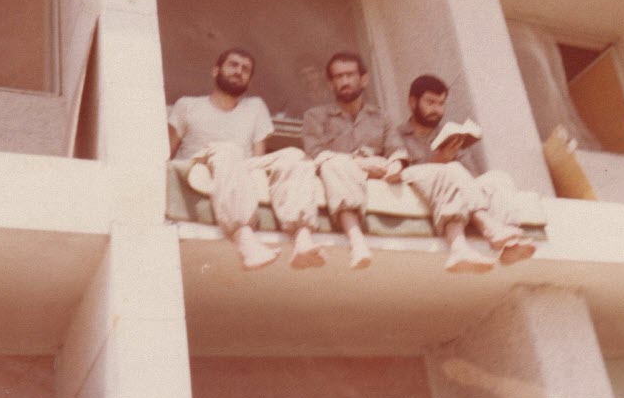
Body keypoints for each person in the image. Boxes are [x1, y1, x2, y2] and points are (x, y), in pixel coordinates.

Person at [168, 48, 324, 270]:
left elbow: (258, 159)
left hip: (240, 168)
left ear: (249, 80)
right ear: (216, 71)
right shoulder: (188, 105)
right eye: (233, 65)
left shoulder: (255, 107)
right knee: (228, 150)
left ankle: (302, 239)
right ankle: (245, 240)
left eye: (245, 69)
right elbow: (167, 153)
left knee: (294, 155)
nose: (239, 71)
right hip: (202, 167)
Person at [398, 74, 536, 267]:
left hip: (457, 192)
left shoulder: (449, 135)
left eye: (441, 103)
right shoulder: (398, 135)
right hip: (420, 191)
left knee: (498, 178)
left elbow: (472, 178)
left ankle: (509, 243)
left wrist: (453, 154)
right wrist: (438, 161)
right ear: (413, 102)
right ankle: (489, 229)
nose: (436, 109)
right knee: (452, 168)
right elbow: (400, 174)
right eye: (430, 102)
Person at [302, 52, 407, 269]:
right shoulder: (316, 116)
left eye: (350, 75)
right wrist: (360, 163)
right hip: (336, 186)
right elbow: (315, 153)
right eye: (338, 77)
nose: (345, 81)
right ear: (331, 84)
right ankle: (356, 242)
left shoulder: (381, 117)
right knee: (334, 163)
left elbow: (396, 150)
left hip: (377, 190)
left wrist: (395, 165)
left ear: (364, 79)